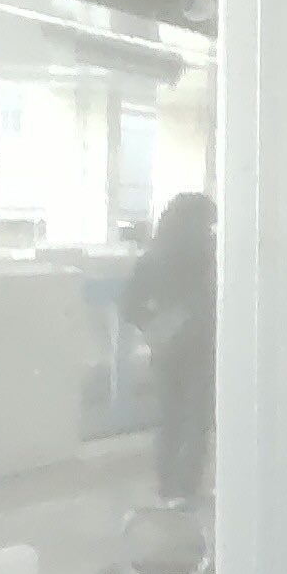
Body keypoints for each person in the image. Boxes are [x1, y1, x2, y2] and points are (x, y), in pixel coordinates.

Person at [125, 192, 215, 503]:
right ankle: (186, 489)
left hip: (165, 350)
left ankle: (167, 487)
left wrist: (156, 325)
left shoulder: (152, 257)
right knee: (196, 420)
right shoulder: (208, 257)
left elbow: (130, 307)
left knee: (170, 419)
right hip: (202, 348)